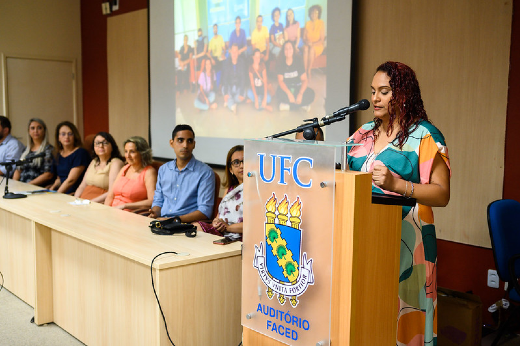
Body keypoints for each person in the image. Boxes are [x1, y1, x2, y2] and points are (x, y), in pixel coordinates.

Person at [346, 61, 451, 346]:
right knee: (369, 312)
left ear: (402, 95)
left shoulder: (424, 136)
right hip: (364, 236)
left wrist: (398, 185)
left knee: (405, 316)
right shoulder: (363, 133)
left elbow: (442, 194)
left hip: (409, 240)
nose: (375, 98)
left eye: (384, 91)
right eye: (373, 91)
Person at [149, 124, 215, 222]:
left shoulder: (205, 173)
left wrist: (174, 220)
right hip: (162, 222)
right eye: (180, 140)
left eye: (189, 141)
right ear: (171, 143)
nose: (185, 145)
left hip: (185, 225)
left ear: (194, 144)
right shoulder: (164, 169)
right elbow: (158, 201)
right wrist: (155, 212)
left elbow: (205, 211)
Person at [196, 145, 243, 240]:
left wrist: (228, 227)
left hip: (241, 236)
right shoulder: (230, 189)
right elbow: (219, 216)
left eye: (245, 161)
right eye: (236, 163)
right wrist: (216, 223)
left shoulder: (257, 191)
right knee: (195, 227)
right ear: (231, 169)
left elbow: (255, 224)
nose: (242, 166)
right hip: (223, 232)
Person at [105, 136, 157, 211]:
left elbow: (152, 201)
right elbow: (110, 195)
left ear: (142, 153)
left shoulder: (149, 172)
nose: (128, 156)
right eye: (126, 151)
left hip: (131, 214)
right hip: (113, 211)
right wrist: (105, 210)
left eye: (132, 152)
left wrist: (125, 206)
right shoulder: (125, 168)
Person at [74, 132, 124, 203]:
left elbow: (112, 191)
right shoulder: (94, 161)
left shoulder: (116, 163)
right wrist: (76, 199)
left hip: (99, 203)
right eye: (97, 143)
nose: (101, 146)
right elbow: (82, 185)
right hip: (83, 201)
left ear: (112, 147)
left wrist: (90, 202)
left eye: (105, 143)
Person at [49, 121, 90, 194]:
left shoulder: (80, 153)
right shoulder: (57, 154)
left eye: (70, 134)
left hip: (75, 193)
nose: (66, 137)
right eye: (63, 134)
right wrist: (50, 190)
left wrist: (56, 195)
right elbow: (58, 178)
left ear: (75, 136)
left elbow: (71, 180)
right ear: (58, 138)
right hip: (61, 191)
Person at [12, 118, 54, 185]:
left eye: (39, 128)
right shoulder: (26, 150)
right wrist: (14, 184)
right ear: (29, 131)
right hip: (22, 186)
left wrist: (28, 185)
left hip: (38, 187)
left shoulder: (48, 149)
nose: (36, 131)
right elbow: (18, 170)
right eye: (32, 128)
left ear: (44, 131)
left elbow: (48, 174)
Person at [276, 41, 315, 111]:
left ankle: (288, 106)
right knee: (278, 93)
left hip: (297, 88)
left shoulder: (298, 61)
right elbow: (280, 81)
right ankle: (301, 106)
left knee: (311, 94)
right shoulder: (280, 63)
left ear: (293, 50)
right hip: (287, 89)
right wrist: (289, 94)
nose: (288, 51)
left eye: (290, 48)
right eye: (286, 49)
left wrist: (300, 94)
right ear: (283, 51)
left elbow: (304, 80)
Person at [303, 4, 325, 81]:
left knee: (311, 49)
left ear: (318, 14)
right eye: (312, 12)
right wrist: (307, 42)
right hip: (308, 44)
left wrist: (312, 44)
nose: (314, 14)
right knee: (305, 49)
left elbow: (322, 40)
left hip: (317, 45)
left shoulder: (321, 23)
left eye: (316, 12)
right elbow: (304, 38)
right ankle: (304, 71)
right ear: (310, 14)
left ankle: (309, 70)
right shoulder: (307, 23)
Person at [222, 44, 247, 113]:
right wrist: (226, 92)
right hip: (230, 87)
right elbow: (225, 79)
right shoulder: (227, 63)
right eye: (233, 51)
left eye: (236, 51)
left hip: (238, 87)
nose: (234, 53)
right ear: (230, 52)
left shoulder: (242, 62)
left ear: (238, 53)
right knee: (224, 89)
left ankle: (229, 101)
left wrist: (241, 93)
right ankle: (232, 105)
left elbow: (243, 78)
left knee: (243, 94)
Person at [208, 24, 226, 88]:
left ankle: (220, 86)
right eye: (214, 28)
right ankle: (218, 86)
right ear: (213, 30)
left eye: (216, 28)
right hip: (214, 58)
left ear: (217, 29)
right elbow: (208, 53)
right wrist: (211, 59)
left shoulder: (220, 37)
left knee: (222, 65)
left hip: (220, 57)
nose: (215, 29)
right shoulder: (211, 41)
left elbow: (224, 49)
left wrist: (223, 54)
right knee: (217, 67)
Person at [192, 28, 208, 92]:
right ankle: (193, 83)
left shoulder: (205, 39)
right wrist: (195, 46)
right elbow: (195, 53)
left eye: (200, 35)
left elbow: (204, 52)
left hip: (204, 58)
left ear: (202, 33)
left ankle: (200, 83)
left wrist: (196, 56)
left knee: (203, 62)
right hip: (198, 60)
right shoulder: (197, 41)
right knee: (192, 62)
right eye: (199, 35)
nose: (200, 36)